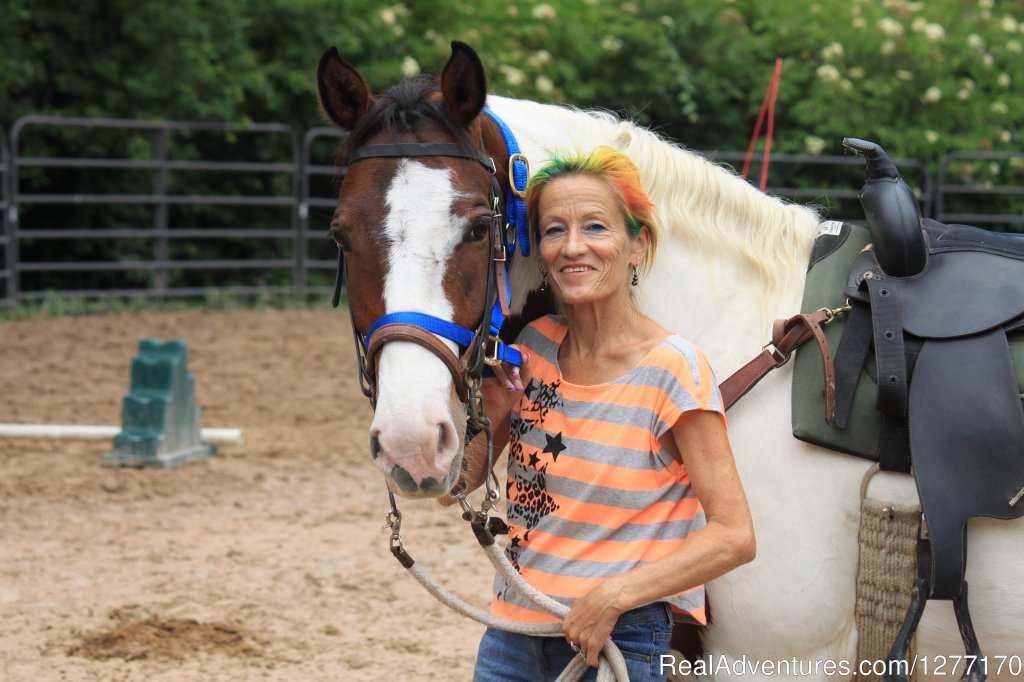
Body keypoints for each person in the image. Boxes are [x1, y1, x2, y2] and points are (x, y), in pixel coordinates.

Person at [456, 147, 755, 682]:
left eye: (595, 227)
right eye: (553, 230)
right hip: (511, 633)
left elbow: (734, 534)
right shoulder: (532, 347)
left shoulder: (673, 369)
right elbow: (461, 481)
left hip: (619, 639)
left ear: (638, 244)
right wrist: (492, 413)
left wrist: (614, 596)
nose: (573, 247)